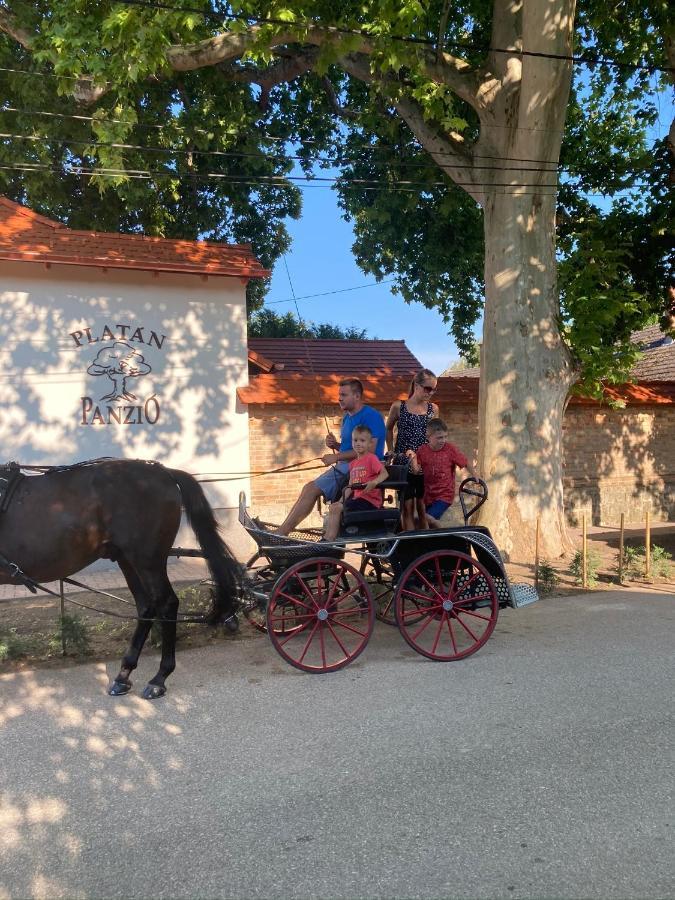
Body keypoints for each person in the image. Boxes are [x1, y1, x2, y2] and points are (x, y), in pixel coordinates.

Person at [276, 378, 386, 536]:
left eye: (344, 394)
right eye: (339, 394)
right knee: (308, 488)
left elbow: (370, 451)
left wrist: (336, 457)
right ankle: (283, 531)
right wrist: (336, 445)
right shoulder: (347, 418)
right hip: (345, 466)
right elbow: (353, 448)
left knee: (310, 489)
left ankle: (282, 533)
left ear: (357, 396)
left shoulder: (371, 416)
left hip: (361, 469)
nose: (339, 398)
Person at [385, 368, 439, 530]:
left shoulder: (433, 409)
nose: (430, 392)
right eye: (428, 388)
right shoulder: (398, 406)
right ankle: (409, 545)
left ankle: (426, 545)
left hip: (424, 465)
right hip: (404, 463)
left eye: (434, 389)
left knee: (423, 508)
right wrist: (391, 450)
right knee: (407, 507)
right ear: (416, 385)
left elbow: (435, 434)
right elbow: (388, 429)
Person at [406, 418, 476, 528]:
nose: (443, 440)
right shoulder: (422, 450)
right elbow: (416, 470)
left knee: (427, 518)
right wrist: (413, 457)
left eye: (445, 437)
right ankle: (437, 541)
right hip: (429, 495)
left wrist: (475, 476)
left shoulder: (450, 449)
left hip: (444, 495)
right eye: (439, 438)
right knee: (428, 523)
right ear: (428, 437)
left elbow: (465, 462)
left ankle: (447, 535)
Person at [323, 424, 390, 541]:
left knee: (337, 508)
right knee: (334, 507)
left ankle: (329, 540)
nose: (358, 443)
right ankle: (330, 538)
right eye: (355, 440)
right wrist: (340, 501)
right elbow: (350, 486)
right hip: (358, 500)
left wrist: (374, 482)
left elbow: (384, 473)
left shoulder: (371, 458)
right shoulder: (353, 463)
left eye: (362, 440)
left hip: (369, 501)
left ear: (369, 443)